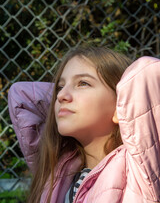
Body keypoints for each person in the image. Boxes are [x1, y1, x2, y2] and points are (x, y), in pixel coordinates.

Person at [8, 46, 160, 203]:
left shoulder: (142, 169)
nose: (60, 96)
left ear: (122, 103)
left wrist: (122, 111)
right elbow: (20, 96)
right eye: (60, 86)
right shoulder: (58, 169)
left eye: (83, 83)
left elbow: (149, 71)